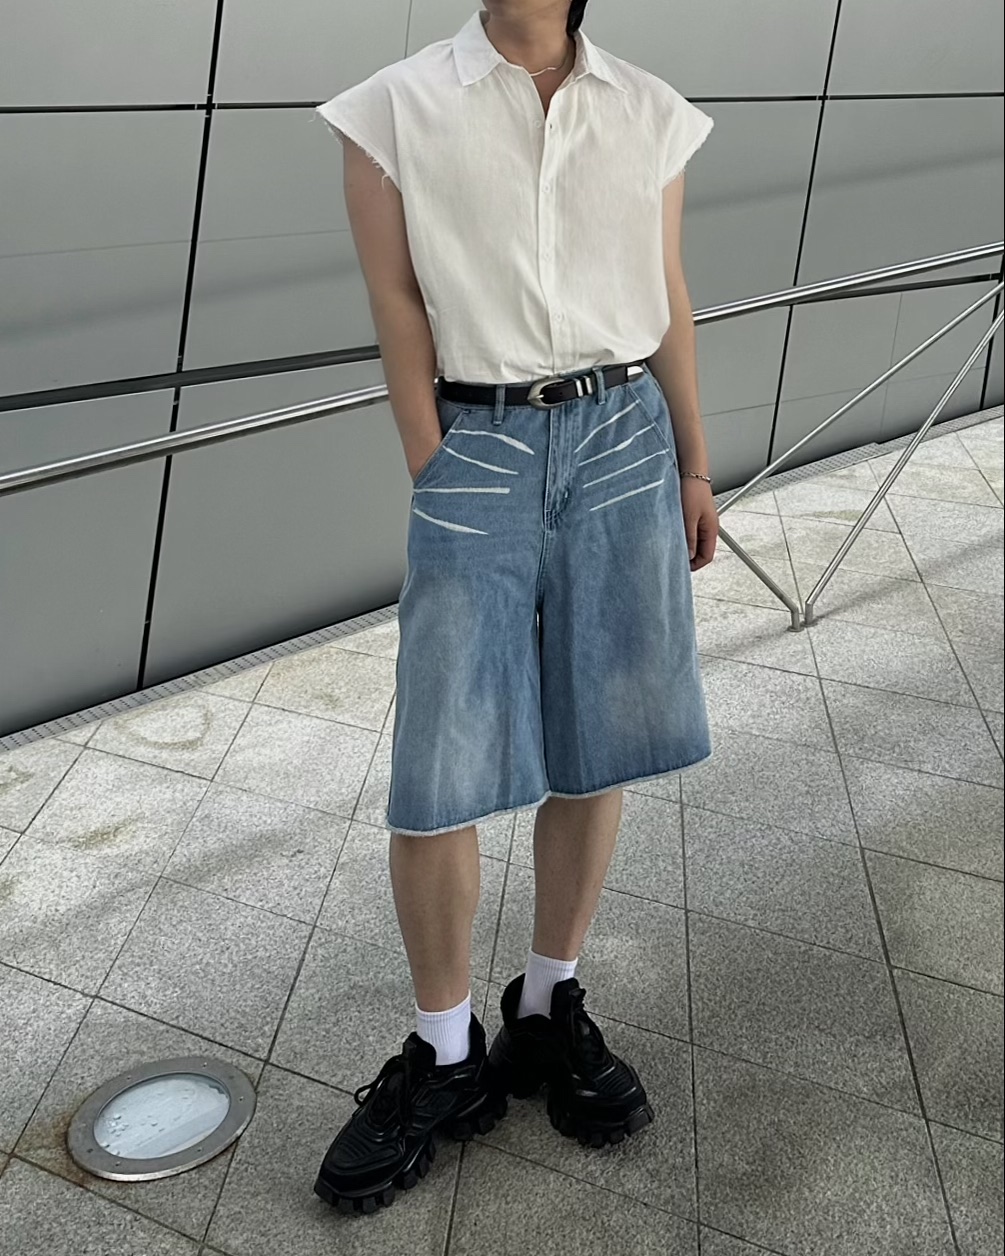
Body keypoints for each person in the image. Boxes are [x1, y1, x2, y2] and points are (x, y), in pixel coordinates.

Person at [312, 1, 717, 1215]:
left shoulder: (649, 111)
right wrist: (431, 457)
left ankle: (546, 1001)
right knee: (439, 755)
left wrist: (694, 463)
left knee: (602, 734)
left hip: (625, 437)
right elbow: (397, 300)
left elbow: (668, 290)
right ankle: (444, 1049)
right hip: (476, 443)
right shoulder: (391, 109)